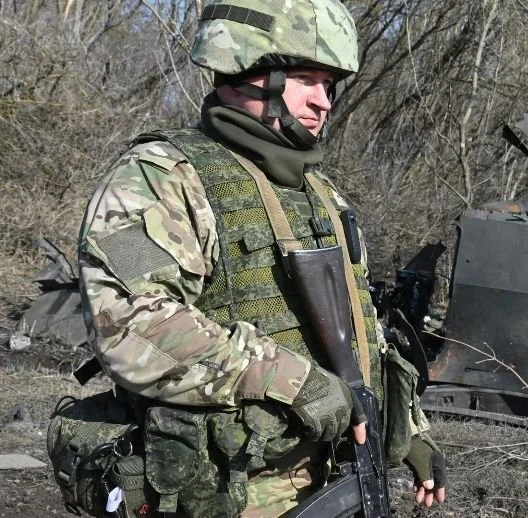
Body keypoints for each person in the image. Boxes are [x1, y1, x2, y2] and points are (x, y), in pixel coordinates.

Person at [76, 0, 446, 516]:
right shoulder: (159, 179)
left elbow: (361, 329)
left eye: (329, 84)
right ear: (245, 71)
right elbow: (128, 322)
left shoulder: (321, 195)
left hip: (334, 476)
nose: (323, 101)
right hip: (225, 489)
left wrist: (408, 431)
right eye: (305, 79)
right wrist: (291, 380)